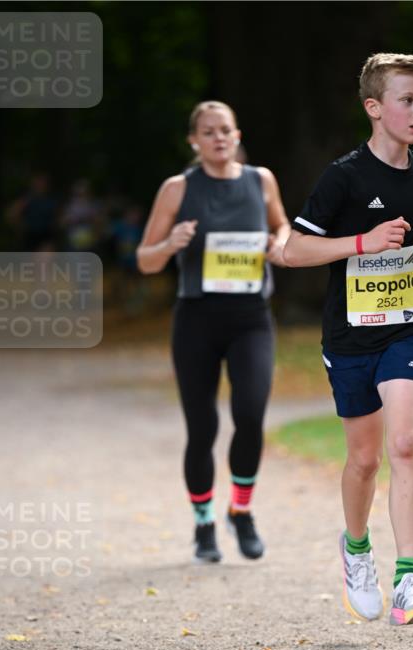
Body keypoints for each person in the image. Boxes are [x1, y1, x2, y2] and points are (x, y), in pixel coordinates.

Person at [284, 52, 413, 627]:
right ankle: (356, 550)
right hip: (350, 338)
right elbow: (293, 250)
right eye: (407, 100)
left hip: (407, 330)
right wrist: (361, 243)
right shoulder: (343, 176)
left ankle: (408, 581)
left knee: (406, 444)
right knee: (365, 460)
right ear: (374, 107)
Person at [137, 101, 290, 562]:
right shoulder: (178, 188)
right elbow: (145, 260)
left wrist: (278, 243)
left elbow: (282, 225)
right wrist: (171, 244)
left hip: (251, 319)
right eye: (208, 132)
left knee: (250, 414)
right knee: (202, 427)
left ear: (237, 135)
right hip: (197, 319)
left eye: (225, 130)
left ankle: (240, 511)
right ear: (194, 141)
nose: (219, 138)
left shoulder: (260, 180)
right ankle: (203, 524)